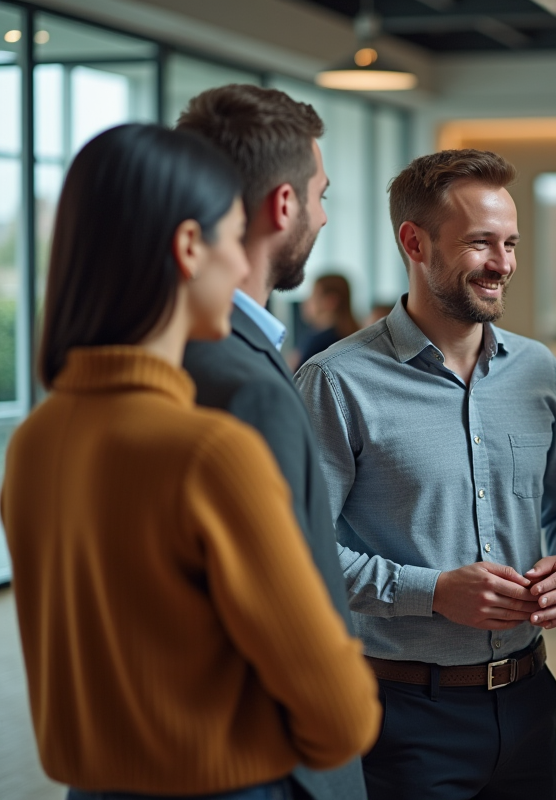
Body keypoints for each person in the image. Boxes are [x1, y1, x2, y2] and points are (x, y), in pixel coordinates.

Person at [1, 123, 379, 799]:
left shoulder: (35, 440)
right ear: (187, 248)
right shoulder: (208, 453)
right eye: (234, 238)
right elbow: (341, 712)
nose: (243, 267)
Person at [295, 148, 556, 800]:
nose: (503, 264)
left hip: (529, 705)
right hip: (401, 715)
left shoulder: (540, 373)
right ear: (414, 241)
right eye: (480, 244)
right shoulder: (336, 381)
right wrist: (431, 591)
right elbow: (300, 554)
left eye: (511, 243)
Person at [175, 84, 370, 800]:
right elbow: (295, 608)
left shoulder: (165, 352)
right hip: (270, 768)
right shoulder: (243, 381)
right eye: (321, 194)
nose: (322, 214)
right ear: (282, 205)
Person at [299, 273, 360, 366]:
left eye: (313, 296)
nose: (306, 302)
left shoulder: (320, 342)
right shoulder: (355, 336)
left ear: (330, 301)